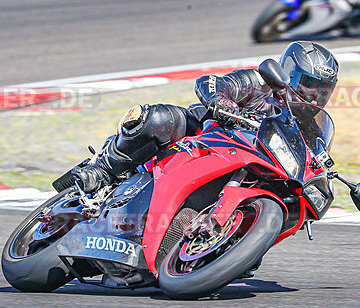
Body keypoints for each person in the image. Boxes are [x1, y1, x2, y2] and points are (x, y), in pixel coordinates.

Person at [56, 41, 339, 194]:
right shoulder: (260, 83)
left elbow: (316, 161)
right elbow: (213, 83)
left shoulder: (312, 128)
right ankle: (103, 169)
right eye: (308, 87)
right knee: (157, 118)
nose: (314, 98)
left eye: (322, 93)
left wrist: (324, 182)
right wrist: (221, 102)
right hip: (202, 134)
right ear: (287, 74)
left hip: (250, 165)